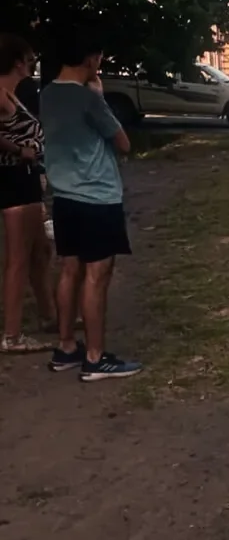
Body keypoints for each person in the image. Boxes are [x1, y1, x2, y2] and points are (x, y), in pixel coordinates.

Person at [39, 32, 140, 381]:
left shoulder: (46, 95)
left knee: (70, 271)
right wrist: (100, 97)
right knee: (97, 277)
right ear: (90, 59)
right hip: (97, 197)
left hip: (64, 197)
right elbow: (123, 143)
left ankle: (67, 347)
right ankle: (96, 358)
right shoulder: (88, 99)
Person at [0, 33, 55, 354]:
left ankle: (48, 315)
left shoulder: (13, 92)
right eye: (30, 58)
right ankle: (11, 335)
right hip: (14, 179)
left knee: (39, 252)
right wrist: (20, 149)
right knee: (18, 259)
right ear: (18, 61)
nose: (33, 63)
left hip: (28, 178)